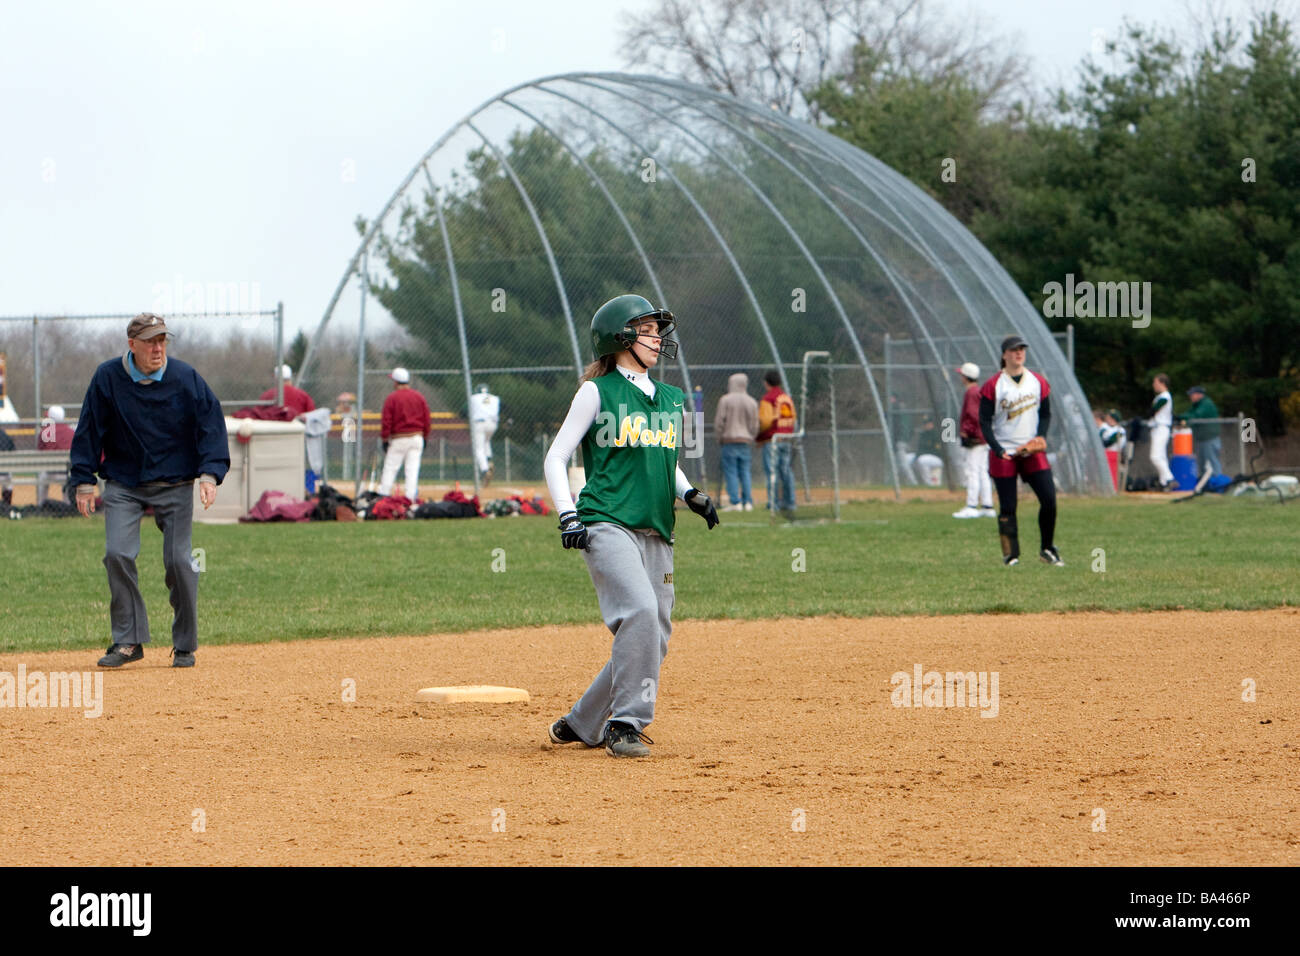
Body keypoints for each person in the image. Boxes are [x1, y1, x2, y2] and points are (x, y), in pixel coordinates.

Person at [542, 294, 719, 759]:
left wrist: (689, 494)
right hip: (606, 520)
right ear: (620, 337)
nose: (658, 337)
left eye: (659, 329)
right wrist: (568, 513)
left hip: (657, 525)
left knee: (653, 635)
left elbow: (663, 458)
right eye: (647, 329)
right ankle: (625, 723)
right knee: (638, 610)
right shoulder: (597, 391)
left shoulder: (669, 398)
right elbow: (557, 456)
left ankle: (584, 721)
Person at [69, 313, 230, 668]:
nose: (158, 348)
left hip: (174, 483)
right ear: (132, 345)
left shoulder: (185, 378)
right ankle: (128, 642)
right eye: (150, 342)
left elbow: (210, 423)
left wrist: (209, 473)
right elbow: (89, 429)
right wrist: (83, 480)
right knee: (117, 554)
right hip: (124, 484)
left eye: (162, 341)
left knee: (179, 561)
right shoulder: (107, 378)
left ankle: (185, 644)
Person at [979, 334, 1063, 566]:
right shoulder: (994, 384)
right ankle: (1011, 555)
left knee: (1049, 500)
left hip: (1031, 451)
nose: (1019, 353)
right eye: (1014, 349)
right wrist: (996, 449)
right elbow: (984, 421)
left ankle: (1047, 548)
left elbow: (1045, 413)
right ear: (1004, 355)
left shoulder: (1037, 381)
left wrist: (1041, 437)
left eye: (1022, 349)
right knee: (1008, 506)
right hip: (1005, 451)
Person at [378, 367, 430, 501]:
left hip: (399, 438)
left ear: (396, 382)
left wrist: (385, 438)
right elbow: (426, 419)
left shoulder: (392, 398)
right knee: (412, 470)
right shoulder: (419, 396)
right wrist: (425, 437)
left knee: (390, 468)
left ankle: (384, 496)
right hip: (417, 437)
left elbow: (387, 420)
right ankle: (410, 499)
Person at [954, 363, 994, 518]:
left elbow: (973, 414)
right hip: (984, 438)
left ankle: (971, 505)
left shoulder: (971, 392)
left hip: (976, 438)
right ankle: (987, 506)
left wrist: (967, 431)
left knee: (972, 471)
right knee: (982, 471)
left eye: (961, 375)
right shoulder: (978, 391)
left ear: (965, 377)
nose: (960, 377)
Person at [714, 372, 759, 511]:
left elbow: (719, 422)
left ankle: (735, 502)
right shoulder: (751, 401)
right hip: (745, 441)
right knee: (745, 471)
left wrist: (719, 437)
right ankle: (748, 502)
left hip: (729, 440)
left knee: (731, 471)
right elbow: (755, 424)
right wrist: (751, 436)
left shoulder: (725, 400)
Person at [756, 369, 797, 517]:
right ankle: (790, 502)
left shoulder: (768, 399)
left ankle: (774, 503)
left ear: (766, 383)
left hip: (772, 441)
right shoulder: (786, 398)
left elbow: (765, 422)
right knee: (786, 471)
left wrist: (759, 437)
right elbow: (793, 418)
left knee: (772, 473)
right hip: (787, 439)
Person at [36, 404, 76, 503]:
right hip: (68, 472)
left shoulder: (46, 432)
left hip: (51, 471)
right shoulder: (71, 432)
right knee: (68, 478)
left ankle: (41, 505)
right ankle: (68, 505)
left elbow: (40, 452)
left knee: (42, 477)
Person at [1183, 386, 1221, 479]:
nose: (1190, 396)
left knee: (1212, 461)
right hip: (1202, 439)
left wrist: (1184, 419)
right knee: (1201, 462)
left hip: (1210, 439)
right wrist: (1179, 417)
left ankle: (1219, 483)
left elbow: (1196, 415)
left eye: (1192, 394)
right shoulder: (1196, 405)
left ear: (1199, 395)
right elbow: (1189, 413)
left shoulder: (1206, 404)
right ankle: (1204, 483)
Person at [1146, 373, 1175, 491]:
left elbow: (1154, 410)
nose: (1154, 385)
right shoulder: (1160, 397)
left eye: (1155, 382)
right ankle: (1163, 482)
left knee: (1155, 456)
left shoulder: (1165, 396)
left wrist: (1148, 412)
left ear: (1162, 383)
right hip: (1157, 428)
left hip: (1161, 428)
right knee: (1161, 456)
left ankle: (1169, 478)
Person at [468, 383, 500, 484]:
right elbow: (505, 407)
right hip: (493, 424)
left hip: (479, 424)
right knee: (486, 441)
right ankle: (489, 459)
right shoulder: (494, 398)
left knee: (479, 449)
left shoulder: (474, 398)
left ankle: (485, 469)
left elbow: (463, 410)